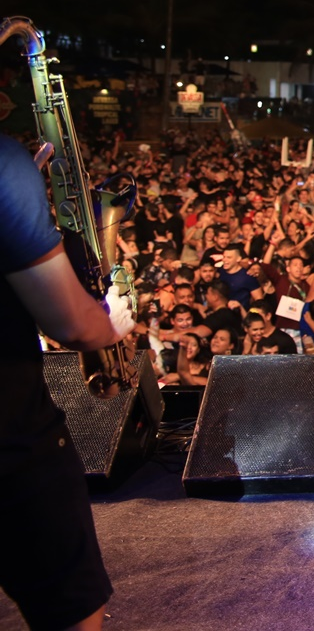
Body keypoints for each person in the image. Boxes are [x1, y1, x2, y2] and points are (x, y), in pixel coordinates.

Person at [2, 133, 135, 630]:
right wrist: (111, 323)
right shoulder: (2, 163)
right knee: (71, 610)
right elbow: (72, 326)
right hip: (10, 436)